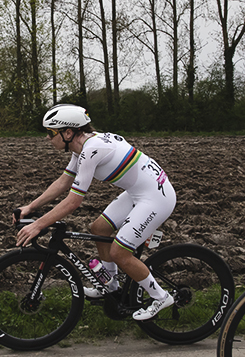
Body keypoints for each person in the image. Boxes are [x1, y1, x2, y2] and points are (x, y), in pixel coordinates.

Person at [15, 103, 177, 321]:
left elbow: (73, 202)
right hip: (139, 192)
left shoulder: (92, 149)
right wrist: (31, 207)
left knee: (119, 253)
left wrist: (38, 224)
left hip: (156, 198)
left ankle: (160, 296)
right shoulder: (82, 146)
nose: (47, 138)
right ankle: (110, 285)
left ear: (68, 132)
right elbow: (63, 182)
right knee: (99, 228)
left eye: (50, 132)